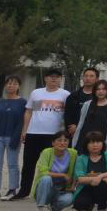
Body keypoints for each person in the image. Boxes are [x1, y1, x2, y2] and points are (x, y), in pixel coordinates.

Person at [20, 69, 70, 200]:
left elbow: (68, 114)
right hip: (33, 133)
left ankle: (50, 191)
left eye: (57, 77)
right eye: (51, 76)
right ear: (45, 78)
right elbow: (29, 112)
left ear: (60, 79)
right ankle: (24, 191)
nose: (54, 79)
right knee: (29, 164)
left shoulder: (65, 95)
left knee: (52, 165)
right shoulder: (36, 93)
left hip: (53, 135)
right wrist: (24, 130)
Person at [0, 75, 26, 201]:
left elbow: (23, 122)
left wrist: (17, 136)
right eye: (9, 83)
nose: (11, 85)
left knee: (12, 164)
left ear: (18, 86)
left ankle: (12, 189)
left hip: (13, 137)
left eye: (14, 83)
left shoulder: (23, 103)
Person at [72, 131, 107, 211]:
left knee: (102, 185)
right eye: (91, 142)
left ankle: (101, 209)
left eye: (98, 142)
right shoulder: (81, 158)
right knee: (79, 204)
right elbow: (80, 178)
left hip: (104, 188)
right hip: (86, 187)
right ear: (86, 145)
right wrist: (100, 178)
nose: (95, 145)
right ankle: (88, 208)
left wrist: (100, 177)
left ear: (103, 143)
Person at [30, 130, 76, 211]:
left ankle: (55, 208)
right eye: (59, 140)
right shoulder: (46, 152)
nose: (62, 143)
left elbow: (76, 172)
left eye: (65, 140)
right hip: (46, 187)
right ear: (53, 143)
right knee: (46, 179)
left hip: (62, 189)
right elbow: (43, 172)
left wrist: (73, 185)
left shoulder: (73, 153)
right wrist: (63, 175)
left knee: (70, 199)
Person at [75, 80, 107, 147]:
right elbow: (81, 123)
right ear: (94, 91)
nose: (101, 91)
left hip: (101, 141)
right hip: (84, 140)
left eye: (103, 89)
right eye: (98, 89)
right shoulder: (87, 104)